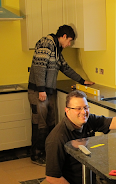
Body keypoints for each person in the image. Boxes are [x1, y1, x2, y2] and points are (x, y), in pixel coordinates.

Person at [28, 25, 94, 166]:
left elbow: (65, 68)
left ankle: (49, 153)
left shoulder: (57, 49)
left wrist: (82, 81)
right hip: (39, 91)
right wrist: (41, 89)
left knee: (51, 123)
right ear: (63, 36)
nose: (69, 44)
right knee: (40, 123)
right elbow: (39, 67)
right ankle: (36, 155)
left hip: (48, 91)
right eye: (69, 41)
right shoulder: (47, 43)